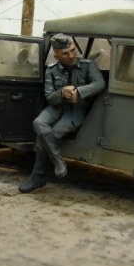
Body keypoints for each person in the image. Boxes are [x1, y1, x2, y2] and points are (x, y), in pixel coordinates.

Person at [18, 33, 105, 193]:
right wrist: (62, 93)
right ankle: (58, 159)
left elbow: (99, 83)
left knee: (46, 136)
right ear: (56, 55)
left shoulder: (88, 66)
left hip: (76, 111)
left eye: (73, 50)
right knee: (38, 123)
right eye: (65, 53)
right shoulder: (51, 70)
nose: (71, 55)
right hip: (56, 108)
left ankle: (38, 177)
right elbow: (50, 98)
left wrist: (79, 92)